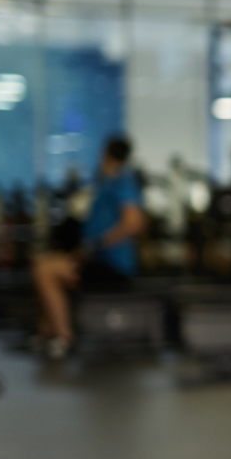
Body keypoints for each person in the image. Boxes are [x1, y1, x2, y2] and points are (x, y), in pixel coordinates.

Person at [30, 137, 146, 359]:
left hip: (113, 265)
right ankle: (45, 334)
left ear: (105, 153)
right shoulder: (106, 181)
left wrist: (97, 244)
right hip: (97, 259)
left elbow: (134, 222)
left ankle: (64, 338)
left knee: (45, 271)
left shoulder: (122, 180)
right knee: (42, 263)